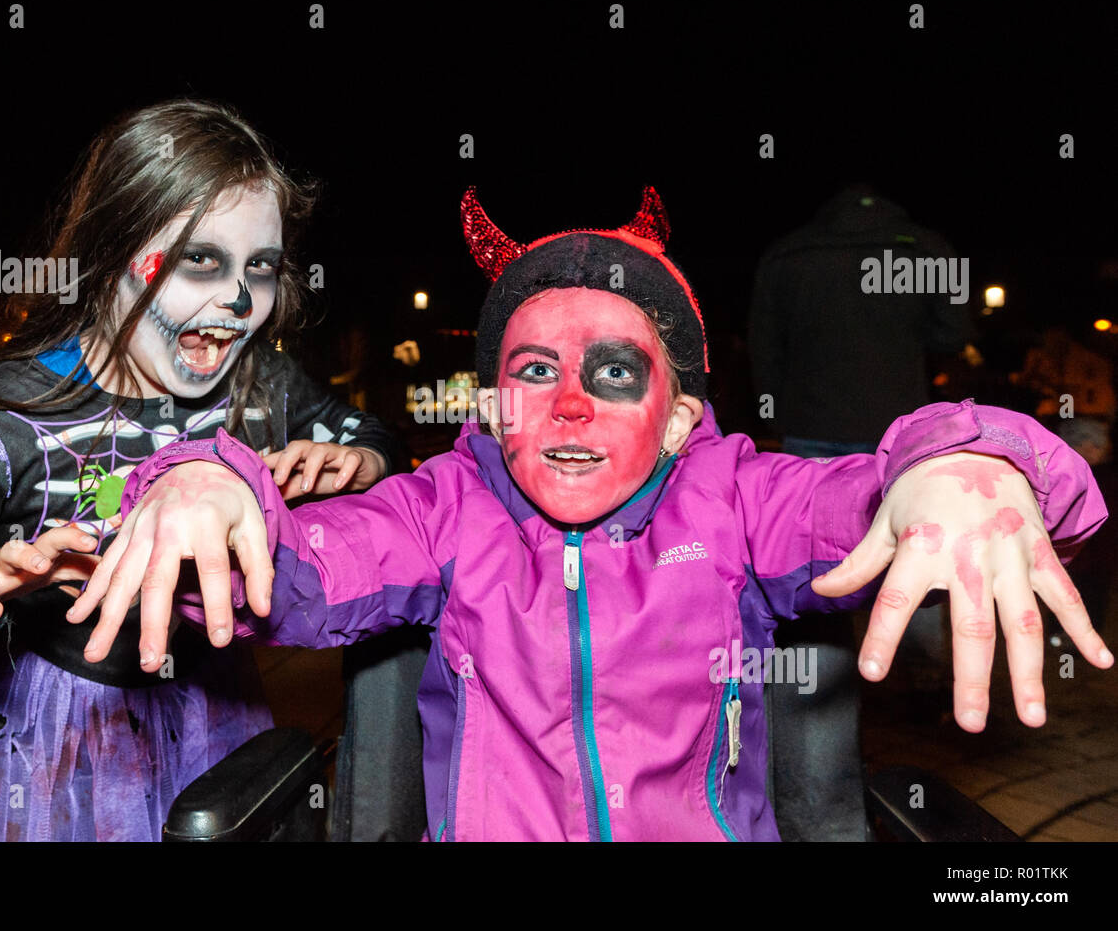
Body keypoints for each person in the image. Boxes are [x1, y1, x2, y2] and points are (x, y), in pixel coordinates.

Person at [70, 187, 1109, 841]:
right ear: (492, 404)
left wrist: (965, 461)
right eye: (532, 371)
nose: (568, 403)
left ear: (677, 417)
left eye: (614, 372)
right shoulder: (445, 506)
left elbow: (865, 494)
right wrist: (209, 482)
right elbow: (296, 563)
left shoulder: (738, 498)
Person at [0, 98, 402, 841]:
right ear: (107, 256)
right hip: (51, 747)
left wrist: (358, 459)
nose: (238, 298)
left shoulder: (260, 387)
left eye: (261, 266)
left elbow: (374, 437)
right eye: (200, 260)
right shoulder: (2, 415)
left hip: (211, 715)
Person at [747, 185, 975, 839]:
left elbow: (765, 344)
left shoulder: (789, 254)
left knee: (814, 585)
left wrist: (775, 412)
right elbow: (953, 332)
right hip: (894, 439)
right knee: (917, 552)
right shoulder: (923, 247)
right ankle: (928, 677)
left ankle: (821, 742)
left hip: (811, 440)